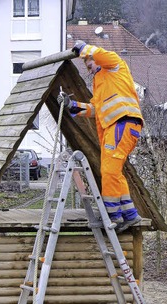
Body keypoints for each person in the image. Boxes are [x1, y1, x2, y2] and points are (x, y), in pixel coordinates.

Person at [68, 40, 143, 233]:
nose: (88, 67)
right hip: (118, 126)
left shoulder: (114, 64)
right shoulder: (101, 82)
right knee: (114, 172)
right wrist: (73, 106)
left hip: (122, 122)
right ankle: (129, 215)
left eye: (89, 62)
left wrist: (84, 48)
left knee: (109, 171)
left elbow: (100, 55)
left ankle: (113, 217)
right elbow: (96, 109)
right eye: (86, 64)